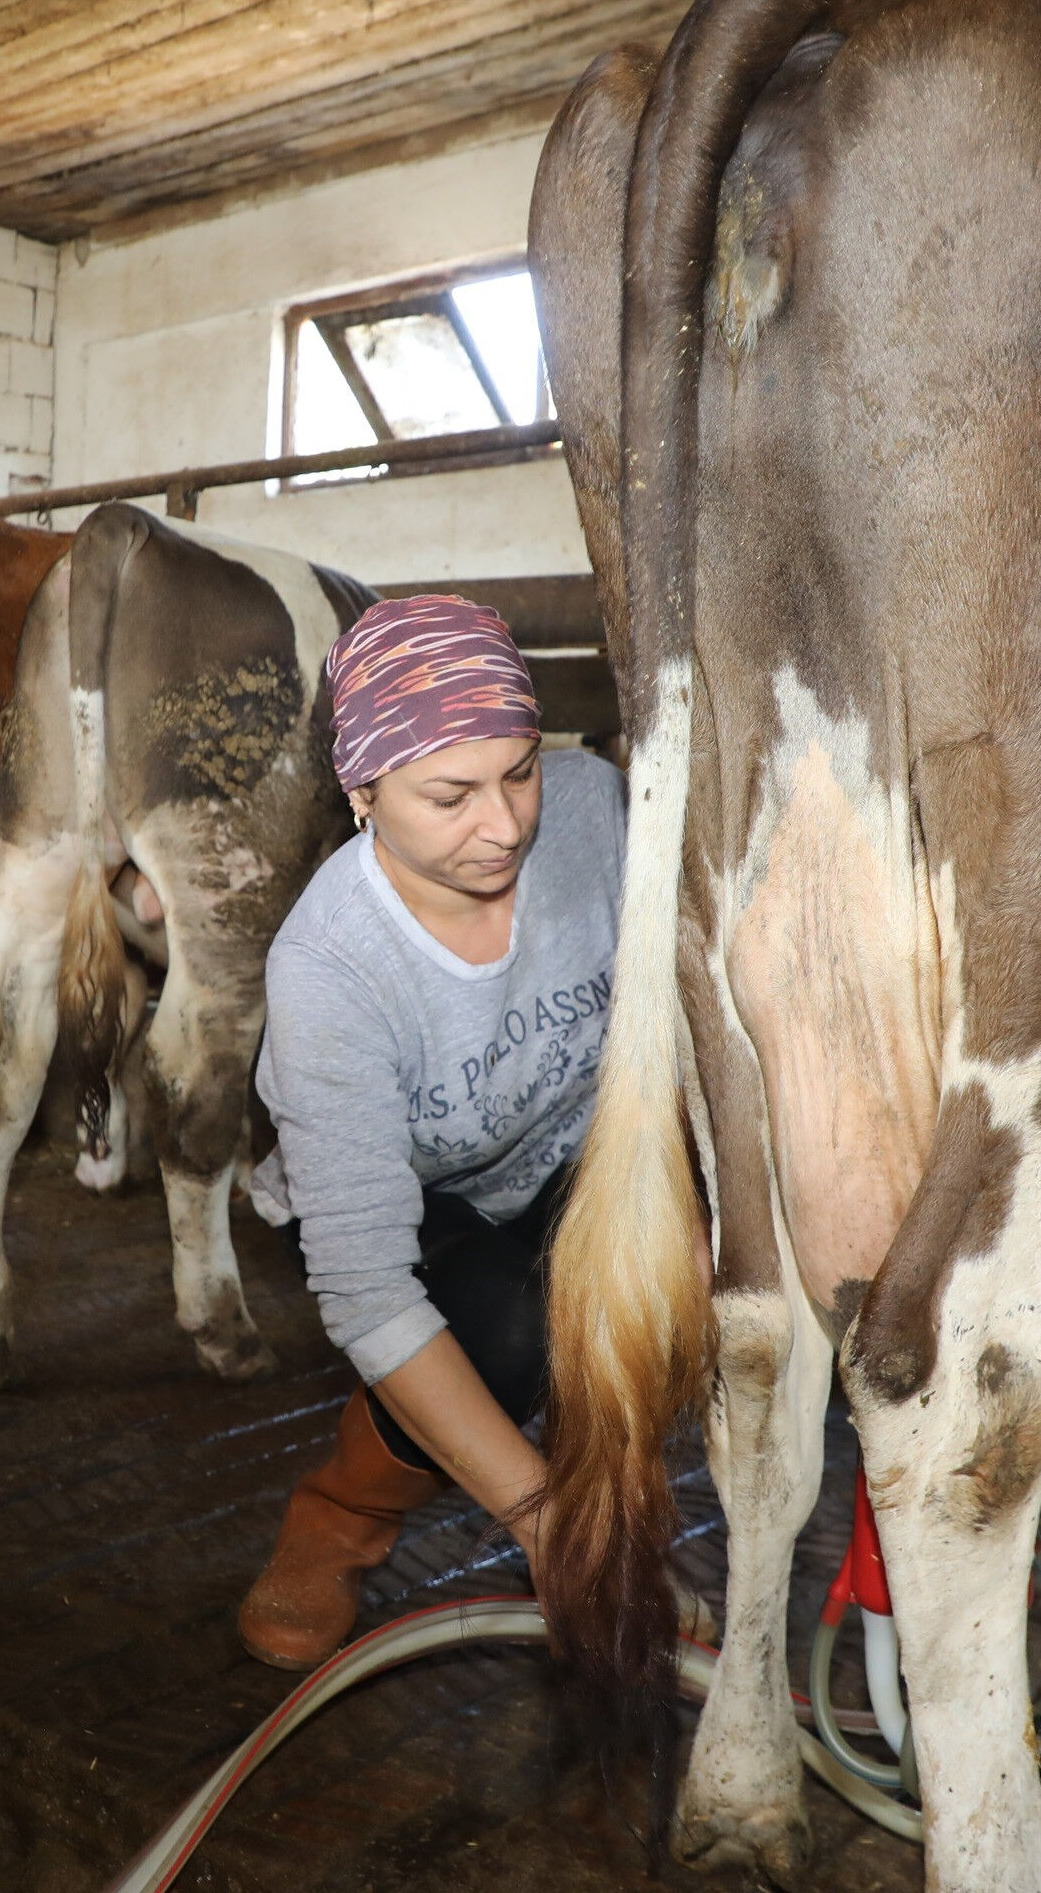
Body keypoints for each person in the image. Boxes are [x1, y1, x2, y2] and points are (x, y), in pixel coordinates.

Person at [237, 593, 623, 1670]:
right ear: (360, 793)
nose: (502, 824)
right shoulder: (329, 968)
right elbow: (366, 1287)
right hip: (414, 1203)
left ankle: (615, 1520)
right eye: (449, 794)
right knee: (502, 1327)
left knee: (650, 1291)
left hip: (567, 1151)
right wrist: (538, 1524)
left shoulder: (597, 814)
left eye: (520, 769)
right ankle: (341, 1520)